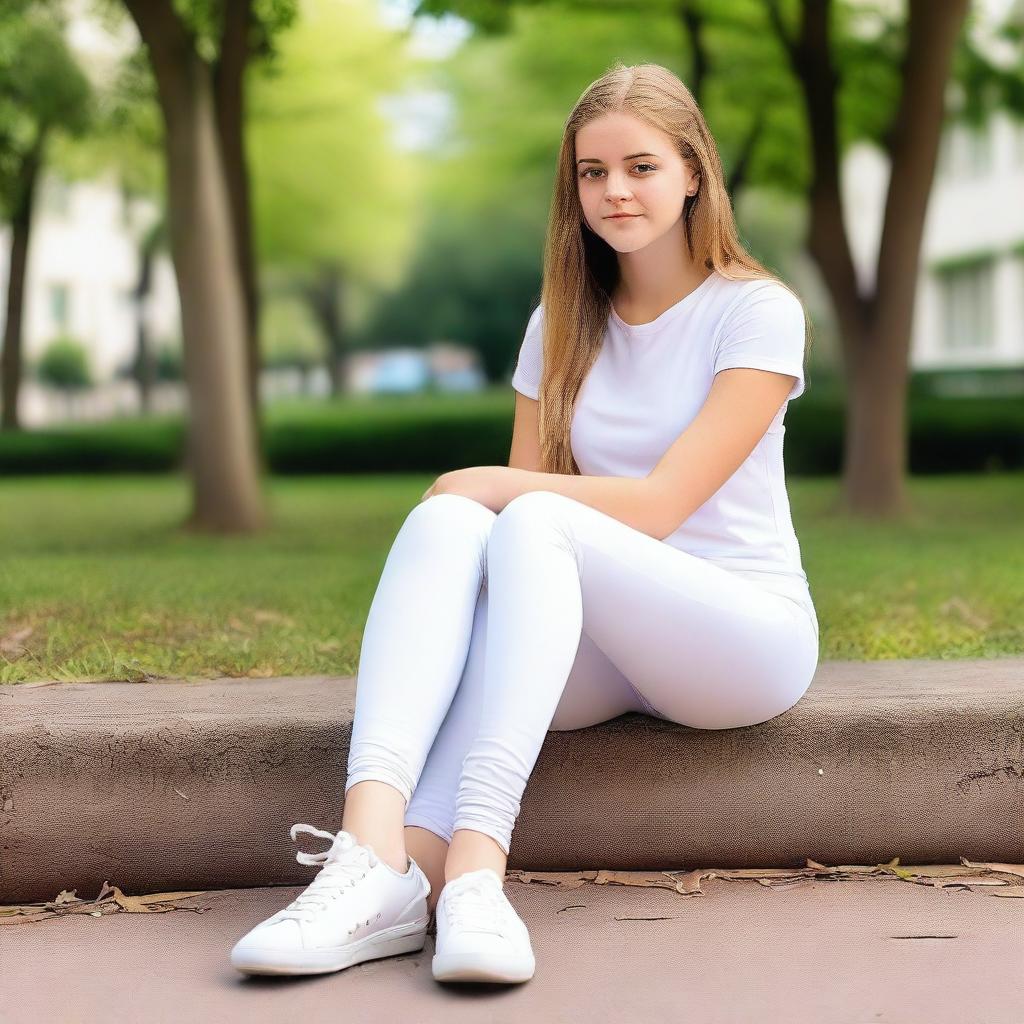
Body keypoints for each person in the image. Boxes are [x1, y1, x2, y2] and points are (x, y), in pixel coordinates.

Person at [230, 60, 819, 986]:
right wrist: (472, 502)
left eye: (641, 166)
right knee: (450, 526)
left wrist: (485, 483)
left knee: (513, 509)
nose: (615, 190)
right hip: (589, 634)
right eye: (592, 172)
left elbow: (660, 506)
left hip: (736, 636)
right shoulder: (561, 323)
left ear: (694, 171)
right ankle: (370, 860)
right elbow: (515, 510)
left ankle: (476, 877)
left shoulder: (756, 312)